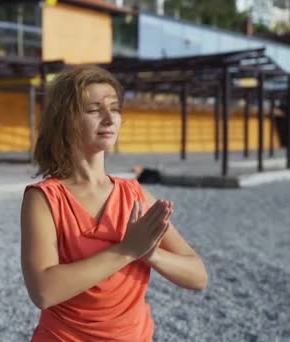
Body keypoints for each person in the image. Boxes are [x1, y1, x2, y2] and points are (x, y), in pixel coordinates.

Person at [20, 65, 208, 341]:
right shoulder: (44, 198)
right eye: (95, 110)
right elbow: (43, 291)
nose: (109, 119)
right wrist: (128, 250)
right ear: (66, 120)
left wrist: (151, 254)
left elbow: (198, 276)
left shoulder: (135, 195)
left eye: (115, 108)